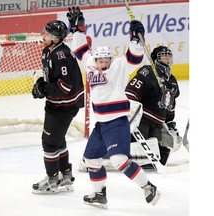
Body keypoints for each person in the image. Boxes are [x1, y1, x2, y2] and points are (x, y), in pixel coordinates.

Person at [68, 7, 161, 209]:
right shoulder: (90, 64)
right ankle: (99, 195)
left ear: (111, 59)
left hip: (117, 123)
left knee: (119, 159)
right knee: (91, 159)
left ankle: (148, 187)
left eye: (106, 60)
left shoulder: (118, 67)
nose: (104, 63)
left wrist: (136, 39)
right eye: (101, 60)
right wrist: (78, 30)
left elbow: (134, 58)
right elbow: (80, 50)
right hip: (100, 125)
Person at [31, 20, 85, 194]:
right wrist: (43, 85)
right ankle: (66, 175)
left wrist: (44, 89)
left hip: (64, 105)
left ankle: (52, 179)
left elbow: (64, 87)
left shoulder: (60, 55)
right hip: (57, 104)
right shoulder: (49, 50)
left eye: (46, 34)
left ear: (55, 38)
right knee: (58, 139)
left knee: (49, 142)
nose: (43, 35)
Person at [125, 46, 182, 168]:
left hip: (158, 123)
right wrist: (131, 114)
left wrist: (170, 122)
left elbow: (171, 104)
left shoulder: (172, 80)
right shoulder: (147, 71)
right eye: (163, 55)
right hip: (142, 120)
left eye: (168, 55)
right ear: (156, 59)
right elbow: (130, 92)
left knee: (154, 154)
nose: (167, 58)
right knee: (137, 152)